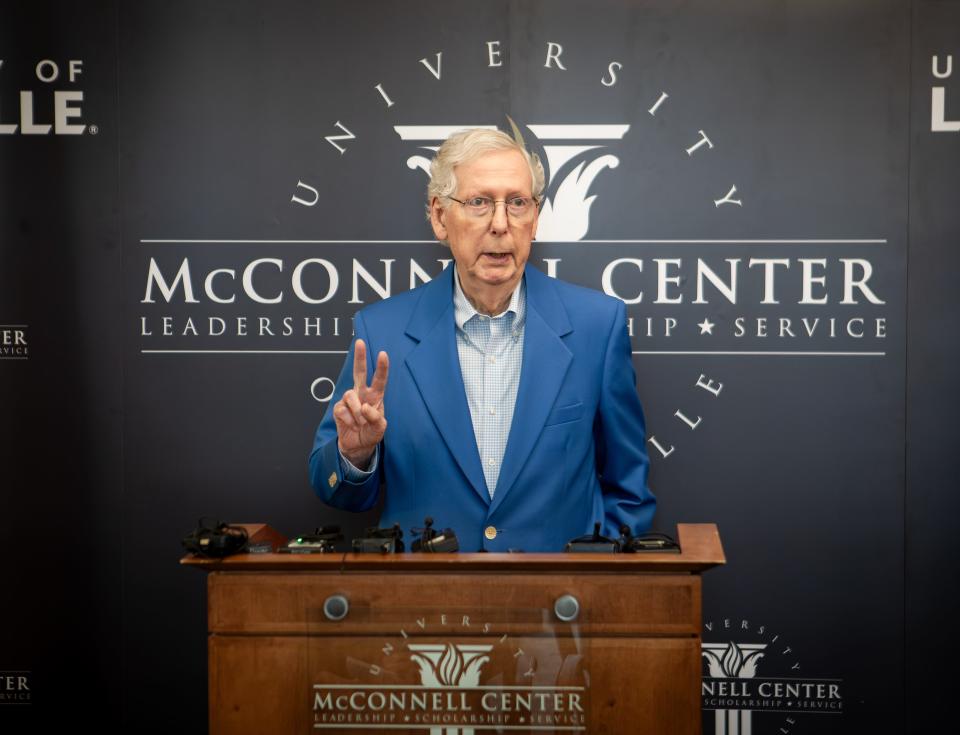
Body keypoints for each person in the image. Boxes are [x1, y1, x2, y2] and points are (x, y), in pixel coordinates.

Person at [309, 128, 655, 551]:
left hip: (562, 604)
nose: (500, 224)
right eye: (478, 203)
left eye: (517, 203)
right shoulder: (381, 333)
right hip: (427, 604)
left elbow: (628, 490)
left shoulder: (598, 326)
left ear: (535, 217)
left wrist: (602, 582)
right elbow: (335, 490)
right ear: (439, 217)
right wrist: (355, 454)